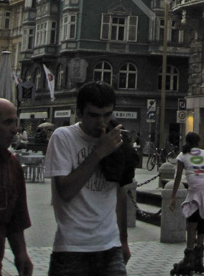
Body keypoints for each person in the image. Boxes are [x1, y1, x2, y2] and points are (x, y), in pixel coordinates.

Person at [44, 81, 130, 276]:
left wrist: (123, 241)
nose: (101, 123)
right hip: (72, 249)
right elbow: (65, 191)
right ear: (79, 113)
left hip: (111, 247)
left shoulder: (116, 140)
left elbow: (121, 192)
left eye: (107, 115)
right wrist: (98, 153)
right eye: (94, 115)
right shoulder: (63, 137)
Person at [169, 132, 204, 275]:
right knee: (201, 220)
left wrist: (173, 196)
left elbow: (178, 176)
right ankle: (199, 260)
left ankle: (189, 259)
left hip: (195, 188)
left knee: (191, 222)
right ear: (198, 142)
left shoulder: (182, 155)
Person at [0, 99, 32, 276]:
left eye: (15, 122)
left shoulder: (12, 165)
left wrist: (21, 253)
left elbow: (15, 218)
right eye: (7, 122)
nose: (15, 129)